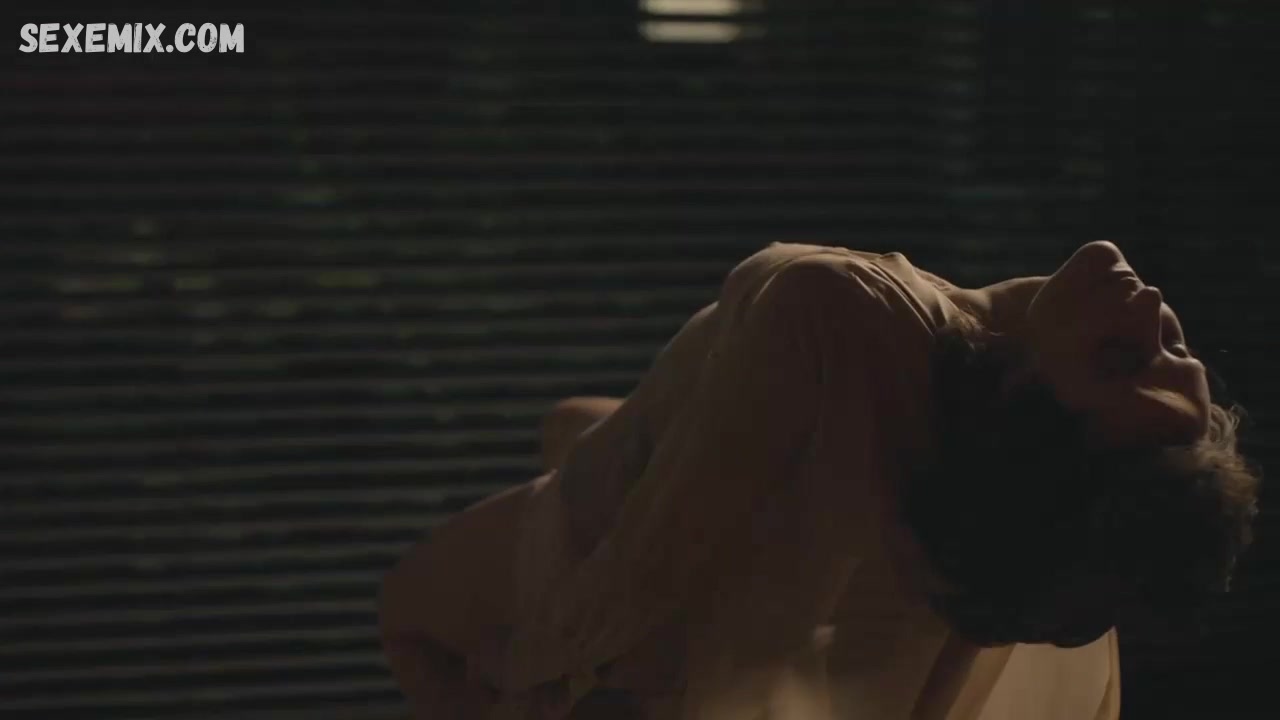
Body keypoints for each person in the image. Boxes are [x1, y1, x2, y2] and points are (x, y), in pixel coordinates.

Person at [378, 241, 1260, 719]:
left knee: (412, 624)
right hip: (660, 499)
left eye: (1120, 359)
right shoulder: (933, 402)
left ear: (1022, 400)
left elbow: (631, 594)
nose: (1150, 309)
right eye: (1174, 350)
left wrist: (535, 675)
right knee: (574, 421)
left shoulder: (841, 315)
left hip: (583, 559)